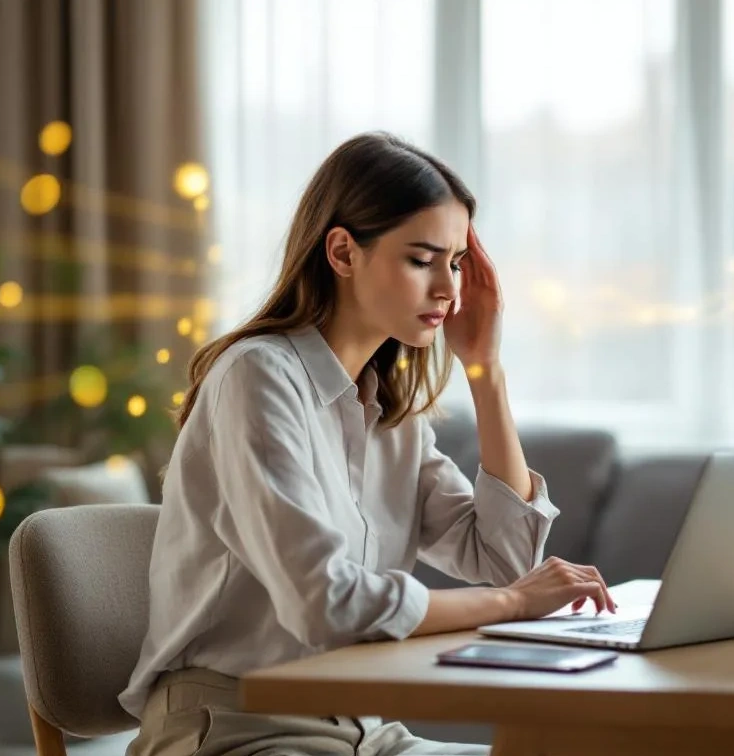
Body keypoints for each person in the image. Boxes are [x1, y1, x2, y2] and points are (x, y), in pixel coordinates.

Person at [119, 132, 618, 756]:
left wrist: (485, 370)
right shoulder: (257, 376)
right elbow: (324, 603)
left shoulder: (389, 413)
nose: (449, 289)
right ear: (343, 252)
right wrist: (515, 603)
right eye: (422, 259)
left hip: (368, 730)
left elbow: (504, 559)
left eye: (456, 262)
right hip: (238, 727)